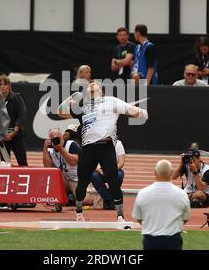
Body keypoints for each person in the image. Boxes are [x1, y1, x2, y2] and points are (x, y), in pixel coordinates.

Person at [58, 80, 148, 222]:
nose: (91, 84)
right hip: (88, 148)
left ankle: (120, 215)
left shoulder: (111, 101)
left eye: (95, 83)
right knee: (82, 183)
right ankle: (79, 213)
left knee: (113, 181)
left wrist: (141, 112)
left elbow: (131, 110)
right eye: (89, 84)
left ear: (101, 89)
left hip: (106, 147)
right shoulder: (83, 107)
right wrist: (67, 101)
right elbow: (61, 113)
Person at [132, 160, 190, 250]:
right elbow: (185, 218)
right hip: (173, 239)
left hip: (151, 239)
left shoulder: (143, 193)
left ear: (154, 173)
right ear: (171, 173)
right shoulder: (181, 194)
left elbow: (139, 218)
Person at [0, 74, 28, 166]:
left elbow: (22, 116)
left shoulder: (17, 98)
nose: (2, 86)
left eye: (5, 84)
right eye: (0, 84)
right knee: (5, 163)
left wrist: (13, 132)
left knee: (22, 161)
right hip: (2, 136)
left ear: (10, 86)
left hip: (16, 135)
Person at [43, 128, 80, 203]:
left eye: (58, 137)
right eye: (54, 138)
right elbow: (47, 167)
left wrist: (61, 149)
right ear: (50, 139)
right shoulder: (50, 149)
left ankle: (69, 197)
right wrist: (45, 148)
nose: (57, 140)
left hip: (75, 178)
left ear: (62, 136)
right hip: (62, 179)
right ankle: (67, 197)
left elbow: (73, 162)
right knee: (52, 198)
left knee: (85, 200)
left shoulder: (71, 144)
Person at [91, 139, 125, 210]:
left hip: (114, 169)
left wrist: (111, 170)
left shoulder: (118, 143)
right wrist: (99, 170)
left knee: (119, 175)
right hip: (99, 170)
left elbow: (121, 162)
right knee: (93, 176)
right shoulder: (94, 143)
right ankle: (109, 199)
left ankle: (107, 200)